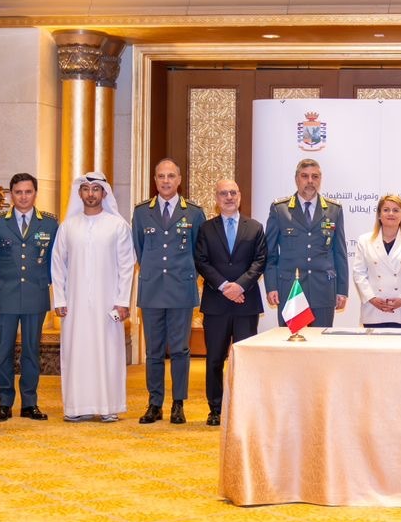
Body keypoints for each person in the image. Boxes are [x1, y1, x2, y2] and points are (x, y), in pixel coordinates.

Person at [53, 172, 137, 422]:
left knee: (108, 352)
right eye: (86, 189)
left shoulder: (118, 226)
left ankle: (108, 406)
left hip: (108, 304)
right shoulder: (68, 226)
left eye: (95, 189)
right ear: (79, 193)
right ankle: (76, 407)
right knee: (76, 352)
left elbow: (126, 266)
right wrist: (60, 299)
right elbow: (58, 265)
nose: (90, 194)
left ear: (104, 193)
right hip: (75, 304)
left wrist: (122, 301)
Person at [131, 158, 206, 424]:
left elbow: (199, 252)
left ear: (179, 180)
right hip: (152, 289)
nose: (166, 181)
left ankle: (178, 403)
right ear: (155, 180)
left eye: (171, 176)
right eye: (161, 176)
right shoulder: (142, 212)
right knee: (153, 351)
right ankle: (154, 403)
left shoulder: (194, 213)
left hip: (180, 290)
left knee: (180, 350)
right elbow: (139, 249)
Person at [0, 173, 57, 422]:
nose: (23, 197)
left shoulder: (49, 224)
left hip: (36, 295)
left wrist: (43, 282)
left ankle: (29, 403)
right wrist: (1, 282)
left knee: (31, 351)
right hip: (5, 296)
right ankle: (4, 403)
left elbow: (54, 261)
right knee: (4, 351)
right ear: (11, 194)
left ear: (35, 193)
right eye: (18, 192)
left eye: (28, 192)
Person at [195, 179, 266, 426]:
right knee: (214, 359)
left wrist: (240, 286)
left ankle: (244, 408)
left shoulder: (255, 227)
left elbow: (260, 260)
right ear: (216, 198)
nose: (229, 197)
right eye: (223, 193)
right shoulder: (206, 228)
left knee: (245, 359)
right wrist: (225, 286)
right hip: (216, 303)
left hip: (246, 303)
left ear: (240, 196)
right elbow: (201, 261)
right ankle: (215, 409)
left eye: (233, 192)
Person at [265, 158, 349, 327]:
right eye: (305, 176)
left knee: (320, 341)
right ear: (297, 179)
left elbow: (340, 253)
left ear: (320, 179)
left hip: (323, 289)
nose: (310, 181)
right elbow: (270, 253)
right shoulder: (280, 209)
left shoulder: (334, 210)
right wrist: (271, 286)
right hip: (291, 289)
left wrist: (342, 290)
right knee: (292, 340)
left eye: (315, 176)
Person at [351, 194, 401, 328]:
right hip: (373, 310)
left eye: (396, 210)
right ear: (379, 215)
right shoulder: (364, 241)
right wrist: (371, 298)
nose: (391, 213)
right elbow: (359, 273)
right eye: (386, 210)